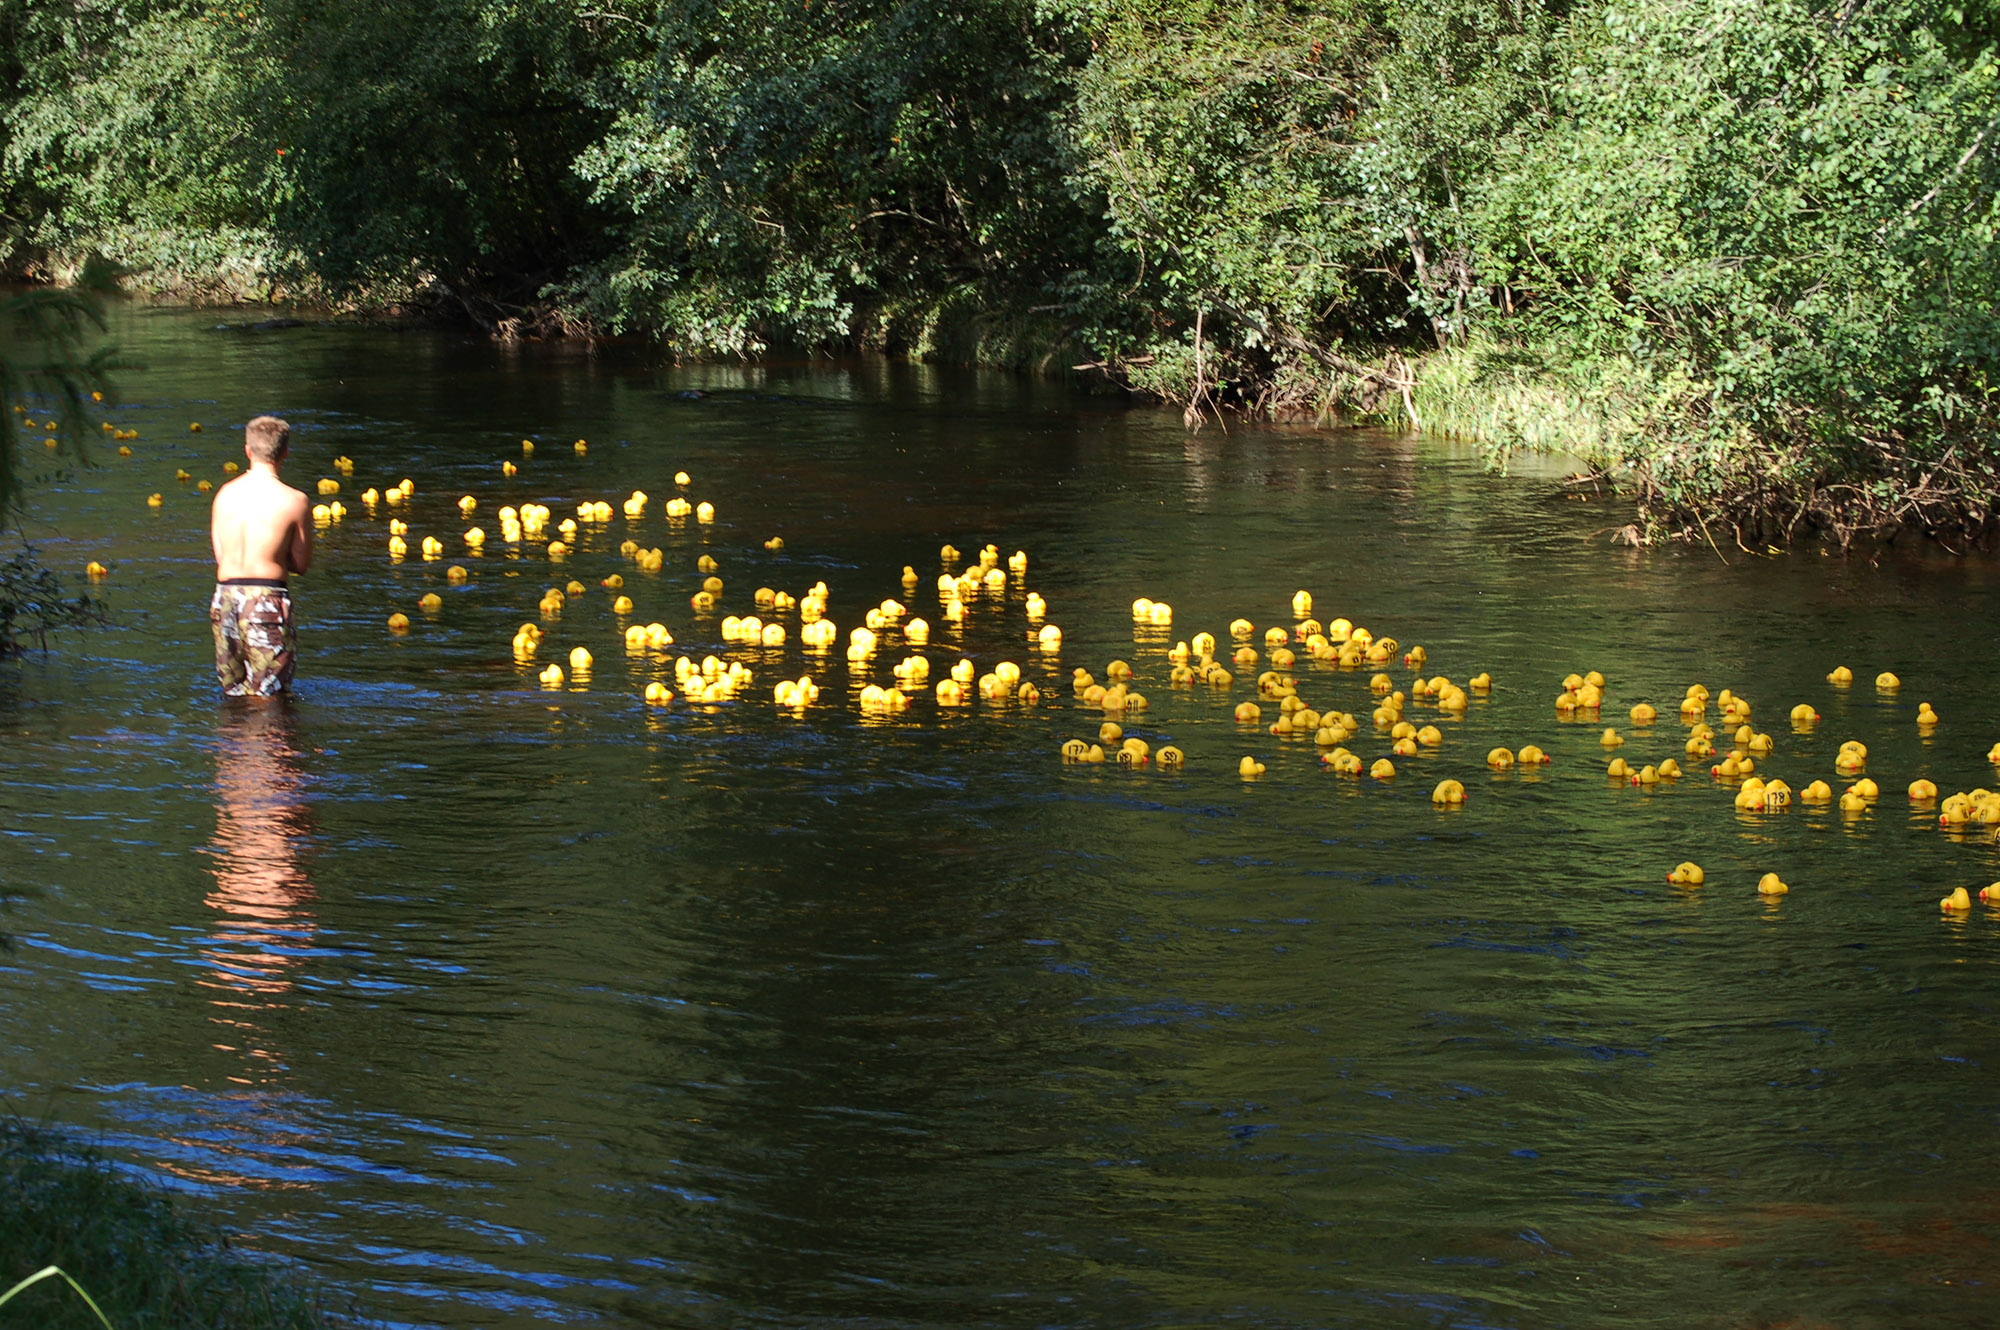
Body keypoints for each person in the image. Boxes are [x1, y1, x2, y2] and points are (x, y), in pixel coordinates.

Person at [209, 415, 311, 696]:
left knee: (233, 694)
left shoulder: (224, 494)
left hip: (225, 599)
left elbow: (221, 555)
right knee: (269, 698)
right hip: (266, 601)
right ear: (286, 452)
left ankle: (230, 741)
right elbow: (301, 564)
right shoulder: (295, 500)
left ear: (247, 450)